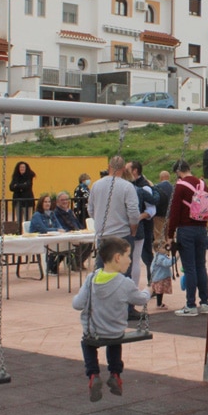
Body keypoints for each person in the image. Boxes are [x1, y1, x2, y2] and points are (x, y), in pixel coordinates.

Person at [73, 236, 149, 401]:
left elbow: (77, 304)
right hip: (114, 332)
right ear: (117, 258)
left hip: (92, 332)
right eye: (128, 256)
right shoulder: (125, 283)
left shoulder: (91, 279)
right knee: (114, 341)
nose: (130, 261)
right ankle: (115, 373)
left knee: (87, 343)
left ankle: (93, 374)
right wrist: (149, 290)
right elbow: (141, 299)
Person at [166, 159, 208, 316]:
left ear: (178, 172)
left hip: (186, 229)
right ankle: (205, 303)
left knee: (190, 267)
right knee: (201, 266)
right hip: (202, 229)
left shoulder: (180, 187)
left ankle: (190, 305)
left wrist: (170, 235)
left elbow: (175, 213)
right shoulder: (203, 184)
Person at [88, 155, 141, 252]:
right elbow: (133, 212)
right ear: (124, 168)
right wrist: (133, 231)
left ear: (108, 167)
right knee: (123, 266)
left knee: (102, 266)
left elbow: (90, 209)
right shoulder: (127, 187)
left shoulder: (96, 185)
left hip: (102, 235)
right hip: (122, 234)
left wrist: (100, 220)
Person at [127, 160, 160, 280]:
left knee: (145, 256)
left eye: (127, 169)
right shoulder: (132, 185)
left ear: (135, 171)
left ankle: (153, 282)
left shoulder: (144, 187)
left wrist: (137, 217)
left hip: (143, 227)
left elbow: (151, 209)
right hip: (137, 226)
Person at [29, 193, 66, 272]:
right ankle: (50, 267)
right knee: (55, 246)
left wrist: (60, 229)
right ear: (41, 203)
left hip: (51, 238)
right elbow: (43, 229)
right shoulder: (37, 215)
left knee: (66, 245)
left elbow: (59, 226)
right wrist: (56, 230)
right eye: (45, 202)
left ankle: (53, 266)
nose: (47, 204)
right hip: (38, 240)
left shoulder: (51, 214)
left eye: (49, 202)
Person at [152, 169, 174, 254]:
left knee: (159, 237)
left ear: (160, 178)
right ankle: (168, 252)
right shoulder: (173, 187)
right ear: (168, 178)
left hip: (159, 216)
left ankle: (162, 256)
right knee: (168, 236)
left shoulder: (157, 187)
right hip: (171, 216)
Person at [148, 238, 174, 308]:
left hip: (160, 276)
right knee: (159, 291)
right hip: (160, 278)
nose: (166, 249)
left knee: (160, 291)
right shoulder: (159, 258)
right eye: (164, 247)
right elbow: (167, 263)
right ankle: (159, 304)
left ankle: (159, 303)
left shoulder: (160, 256)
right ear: (157, 249)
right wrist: (175, 258)